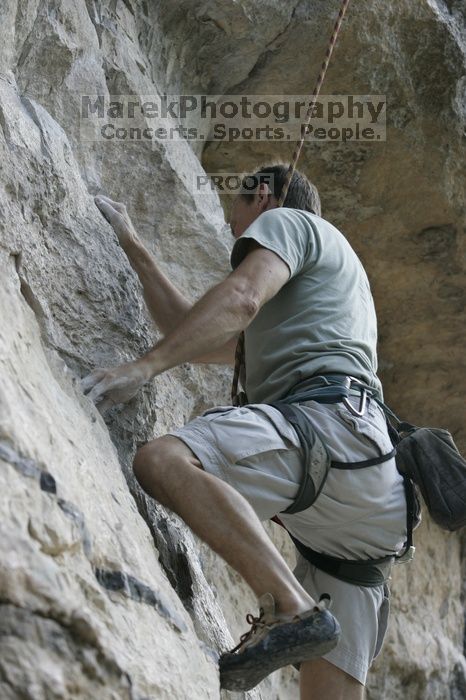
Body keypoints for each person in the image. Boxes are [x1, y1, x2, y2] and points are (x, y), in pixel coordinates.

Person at [82, 164, 407, 699]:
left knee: (162, 461)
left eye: (236, 206)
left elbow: (241, 299)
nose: (235, 226)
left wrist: (141, 368)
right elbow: (200, 327)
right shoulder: (325, 294)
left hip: (325, 430)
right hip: (373, 490)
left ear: (262, 195)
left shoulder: (289, 223)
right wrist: (133, 245)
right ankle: (297, 609)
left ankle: (288, 605)